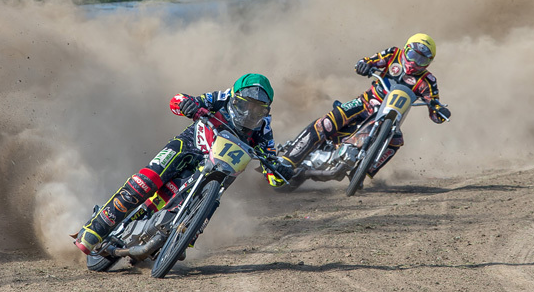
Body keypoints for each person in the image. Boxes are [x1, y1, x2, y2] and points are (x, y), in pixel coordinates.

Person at [73, 73, 290, 255]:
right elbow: (176, 100)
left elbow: (272, 171)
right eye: (245, 104)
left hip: (218, 169)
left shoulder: (264, 129)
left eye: (258, 109)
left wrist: (279, 169)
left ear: (266, 110)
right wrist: (188, 104)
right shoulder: (220, 98)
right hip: (188, 147)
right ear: (234, 98)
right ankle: (97, 227)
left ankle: (184, 237)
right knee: (147, 181)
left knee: (213, 200)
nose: (249, 112)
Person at [279, 33, 451, 179]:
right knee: (328, 122)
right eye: (413, 56)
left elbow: (433, 105)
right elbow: (369, 61)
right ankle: (288, 159)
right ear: (406, 50)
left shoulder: (428, 81)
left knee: (396, 141)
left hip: (392, 117)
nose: (415, 62)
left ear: (429, 62)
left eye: (422, 60)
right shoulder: (393, 54)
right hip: (365, 103)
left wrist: (439, 111)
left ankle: (362, 172)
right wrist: (364, 65)